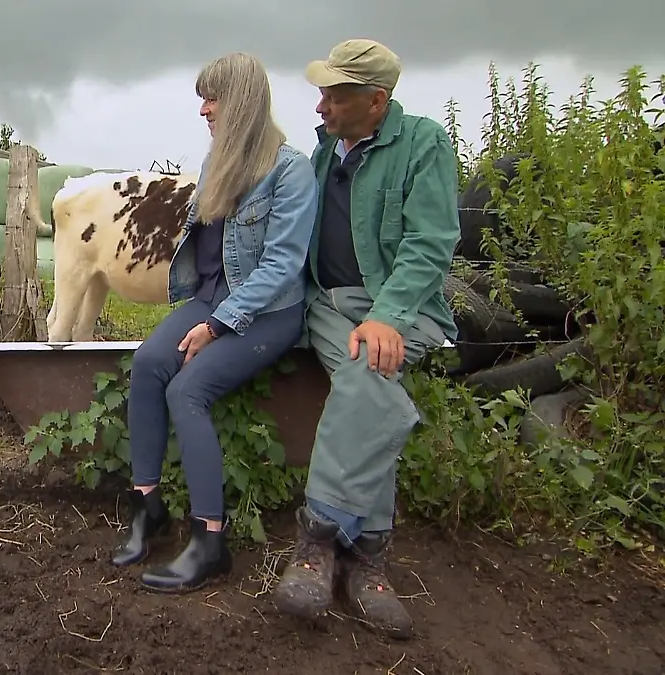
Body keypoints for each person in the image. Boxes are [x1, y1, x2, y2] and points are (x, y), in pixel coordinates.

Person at [271, 39, 461, 638]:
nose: (322, 102)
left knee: (367, 373)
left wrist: (388, 317)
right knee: (372, 376)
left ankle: (319, 541)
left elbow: (430, 242)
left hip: (393, 305)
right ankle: (370, 563)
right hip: (327, 305)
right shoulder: (322, 152)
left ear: (375, 101)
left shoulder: (424, 145)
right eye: (322, 90)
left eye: (336, 93)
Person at [110, 52, 319, 593]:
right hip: (214, 297)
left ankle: (210, 540)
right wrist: (204, 311)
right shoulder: (216, 161)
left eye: (213, 98)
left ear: (242, 102)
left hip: (268, 312)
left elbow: (280, 266)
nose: (204, 109)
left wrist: (217, 326)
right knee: (149, 363)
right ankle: (147, 505)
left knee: (188, 391)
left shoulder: (292, 171)